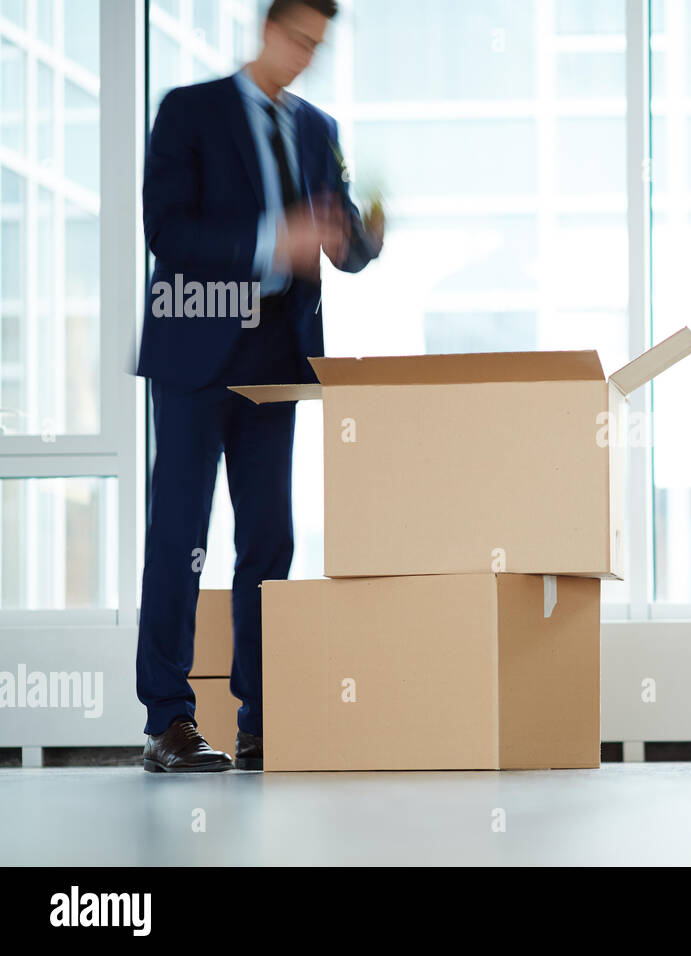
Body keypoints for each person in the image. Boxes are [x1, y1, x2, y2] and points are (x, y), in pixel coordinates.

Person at [136, 0, 382, 772]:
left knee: (269, 538)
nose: (307, 56)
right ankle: (168, 722)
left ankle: (262, 720)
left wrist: (362, 237)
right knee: (181, 537)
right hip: (195, 344)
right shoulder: (189, 112)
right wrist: (271, 239)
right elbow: (168, 232)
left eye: (319, 46)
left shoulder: (318, 128)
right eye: (299, 40)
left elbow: (341, 240)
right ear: (269, 29)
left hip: (274, 355)